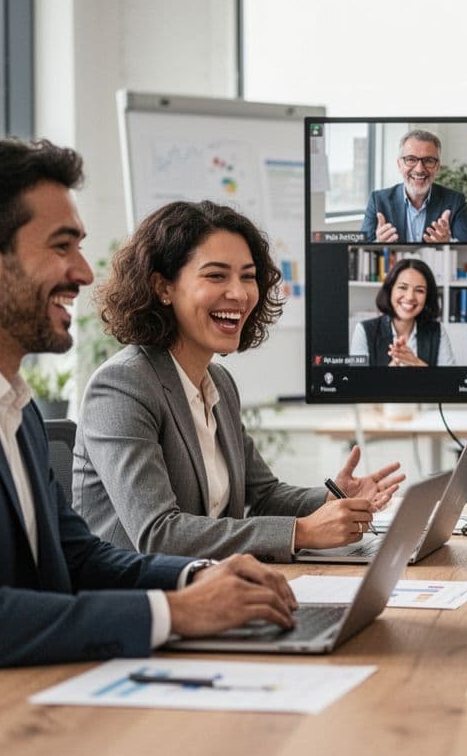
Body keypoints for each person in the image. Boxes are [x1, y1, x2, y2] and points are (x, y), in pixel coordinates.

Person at [0, 137, 297, 750]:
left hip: (33, 696)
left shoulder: (8, 401)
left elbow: (79, 558)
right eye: (62, 246)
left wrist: (198, 576)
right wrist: (176, 613)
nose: (84, 271)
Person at [73, 201, 404, 562]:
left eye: (248, 276)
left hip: (215, 589)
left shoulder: (218, 383)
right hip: (140, 602)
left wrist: (331, 496)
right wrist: (303, 531)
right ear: (162, 287)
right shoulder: (123, 386)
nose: (240, 293)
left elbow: (263, 495)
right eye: (216, 275)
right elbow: (158, 533)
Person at [361, 129, 467, 244]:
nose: (419, 169)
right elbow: (361, 247)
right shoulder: (377, 200)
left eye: (428, 160)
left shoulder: (455, 201)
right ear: (399, 165)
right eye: (411, 159)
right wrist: (378, 243)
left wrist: (449, 243)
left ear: (438, 167)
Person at [349, 257, 456, 366]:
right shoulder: (364, 330)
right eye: (403, 287)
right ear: (390, 290)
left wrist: (418, 365)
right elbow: (357, 381)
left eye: (419, 290)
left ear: (427, 297)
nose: (410, 297)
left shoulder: (437, 331)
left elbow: (451, 380)